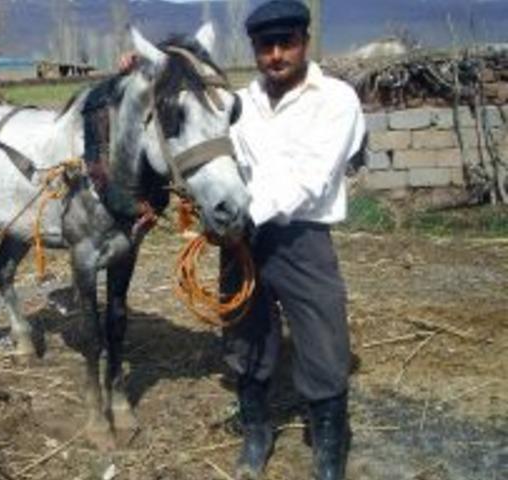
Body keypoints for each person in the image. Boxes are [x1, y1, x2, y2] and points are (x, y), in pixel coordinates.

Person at [221, 1, 366, 479]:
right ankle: (257, 432)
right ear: (255, 49)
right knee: (245, 337)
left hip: (301, 237)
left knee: (324, 342)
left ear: (305, 42)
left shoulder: (337, 99)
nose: (277, 55)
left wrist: (245, 216)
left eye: (287, 43)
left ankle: (328, 450)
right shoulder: (241, 103)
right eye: (266, 46)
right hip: (241, 240)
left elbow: (313, 178)